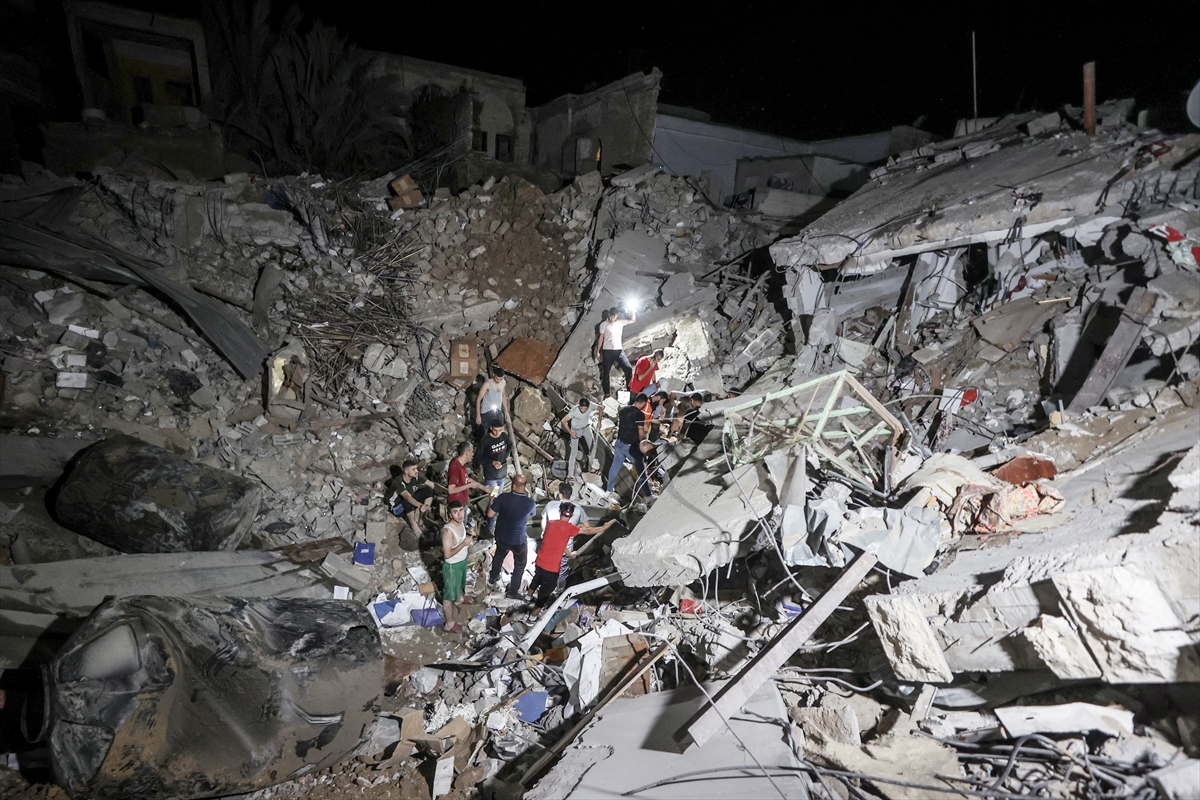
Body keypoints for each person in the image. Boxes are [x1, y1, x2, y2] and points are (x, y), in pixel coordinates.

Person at [529, 503, 614, 611]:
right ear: (572, 516)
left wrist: (569, 554)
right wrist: (604, 527)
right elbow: (588, 531)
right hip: (551, 568)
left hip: (540, 562)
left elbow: (560, 542)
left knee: (537, 578)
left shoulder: (550, 524)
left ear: (560, 512)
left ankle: (528, 597)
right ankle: (532, 618)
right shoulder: (569, 528)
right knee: (545, 593)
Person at [486, 473, 537, 600]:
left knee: (498, 556)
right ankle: (513, 591)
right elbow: (533, 513)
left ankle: (493, 578)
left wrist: (491, 502)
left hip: (502, 536)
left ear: (513, 485)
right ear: (524, 486)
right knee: (520, 565)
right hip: (518, 539)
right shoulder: (530, 502)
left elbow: (490, 514)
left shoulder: (503, 498)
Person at [606, 393, 652, 500]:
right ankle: (649, 496)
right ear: (643, 403)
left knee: (615, 467)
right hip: (631, 447)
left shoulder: (624, 410)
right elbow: (641, 433)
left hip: (619, 443)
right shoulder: (639, 414)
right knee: (641, 471)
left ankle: (608, 491)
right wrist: (644, 447)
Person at [440, 501, 474, 633]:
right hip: (452, 566)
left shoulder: (461, 523)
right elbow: (447, 555)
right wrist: (464, 544)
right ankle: (449, 623)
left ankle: (459, 599)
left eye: (461, 510)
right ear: (450, 514)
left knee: (460, 585)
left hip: (461, 562)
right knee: (448, 596)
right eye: (455, 512)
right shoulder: (448, 531)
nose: (459, 514)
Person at [474, 421, 511, 531]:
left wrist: (504, 457)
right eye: (495, 430)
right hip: (492, 478)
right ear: (491, 427)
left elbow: (510, 445)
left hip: (502, 475)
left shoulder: (504, 436)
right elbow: (477, 458)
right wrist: (491, 462)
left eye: (500, 430)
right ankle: (490, 526)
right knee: (493, 500)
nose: (497, 433)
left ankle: (495, 522)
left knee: (498, 498)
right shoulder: (486, 440)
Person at [386, 459, 437, 536]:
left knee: (428, 490)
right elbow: (407, 497)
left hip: (408, 500)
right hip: (396, 508)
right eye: (413, 469)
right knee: (408, 501)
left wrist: (447, 491)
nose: (416, 471)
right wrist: (420, 505)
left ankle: (422, 519)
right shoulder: (398, 482)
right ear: (406, 471)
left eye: (416, 468)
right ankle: (414, 526)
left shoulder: (416, 476)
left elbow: (431, 485)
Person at [595, 307, 634, 397]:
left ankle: (629, 390)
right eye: (611, 316)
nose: (612, 318)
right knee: (606, 372)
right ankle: (607, 393)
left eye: (614, 317)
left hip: (619, 351)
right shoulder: (603, 324)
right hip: (607, 351)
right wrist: (598, 351)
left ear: (616, 316)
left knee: (628, 368)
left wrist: (632, 310)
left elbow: (632, 320)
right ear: (608, 315)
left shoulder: (620, 323)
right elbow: (601, 338)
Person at [447, 441, 487, 529]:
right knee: (457, 528)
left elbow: (465, 478)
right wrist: (469, 486)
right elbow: (451, 489)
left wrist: (483, 487)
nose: (473, 454)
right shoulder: (455, 466)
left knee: (462, 525)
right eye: (472, 451)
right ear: (467, 452)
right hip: (456, 504)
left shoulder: (461, 464)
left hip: (462, 502)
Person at [560, 397, 597, 478]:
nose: (583, 410)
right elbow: (563, 420)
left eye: (585, 409)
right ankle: (570, 474)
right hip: (576, 430)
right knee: (574, 452)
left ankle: (590, 467)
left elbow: (601, 408)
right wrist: (571, 433)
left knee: (593, 446)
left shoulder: (591, 406)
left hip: (586, 427)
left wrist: (600, 421)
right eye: (581, 408)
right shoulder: (574, 411)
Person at [475, 365, 510, 434]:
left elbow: (503, 395)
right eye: (497, 378)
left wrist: (506, 410)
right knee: (486, 432)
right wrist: (478, 416)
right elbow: (478, 400)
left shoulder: (503, 383)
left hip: (497, 410)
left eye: (501, 379)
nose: (499, 381)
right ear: (494, 375)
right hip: (487, 411)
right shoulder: (487, 384)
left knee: (498, 430)